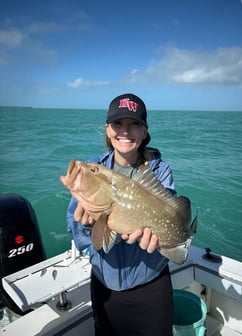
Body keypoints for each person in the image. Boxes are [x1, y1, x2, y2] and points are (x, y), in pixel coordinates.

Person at [66, 93, 176, 336]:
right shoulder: (93, 169)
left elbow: (168, 214)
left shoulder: (160, 170)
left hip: (151, 285)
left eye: (134, 123)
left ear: (145, 131)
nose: (125, 131)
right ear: (107, 129)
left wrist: (160, 239)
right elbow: (79, 231)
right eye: (118, 123)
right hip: (105, 285)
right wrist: (87, 227)